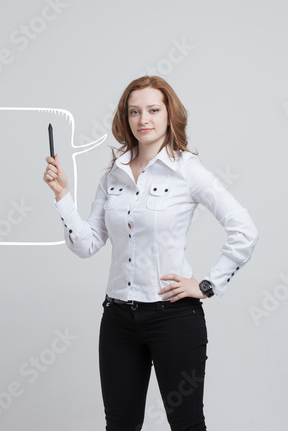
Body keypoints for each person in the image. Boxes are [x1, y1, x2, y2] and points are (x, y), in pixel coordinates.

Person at [43, 75, 259, 431]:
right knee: (120, 425)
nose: (144, 119)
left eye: (153, 109)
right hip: (117, 321)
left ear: (168, 114)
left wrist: (207, 285)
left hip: (173, 319)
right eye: (134, 111)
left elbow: (244, 229)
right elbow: (86, 244)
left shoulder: (188, 171)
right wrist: (62, 196)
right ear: (125, 119)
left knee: (187, 424)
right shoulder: (112, 175)